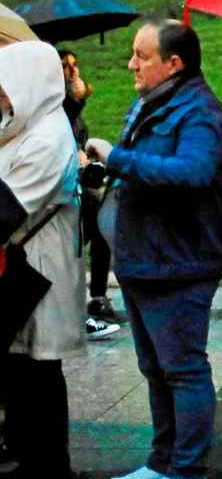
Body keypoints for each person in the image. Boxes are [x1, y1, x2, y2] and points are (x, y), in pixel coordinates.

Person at [83, 20, 222, 479]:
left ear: (175, 63)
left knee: (182, 369)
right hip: (146, 260)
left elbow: (192, 173)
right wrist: (103, 170)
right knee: (155, 369)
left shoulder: (202, 113)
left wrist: (120, 158)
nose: (131, 64)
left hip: (180, 264)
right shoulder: (157, 101)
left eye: (141, 56)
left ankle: (189, 472)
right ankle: (163, 460)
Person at [0, 41, 86, 479]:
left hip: (41, 266)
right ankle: (31, 460)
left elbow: (6, 207)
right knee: (20, 366)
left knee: (41, 369)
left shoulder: (49, 137)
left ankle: (52, 471)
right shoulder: (25, 126)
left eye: (6, 89)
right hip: (24, 263)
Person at [58, 49, 121, 339]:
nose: (73, 71)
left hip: (81, 185)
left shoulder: (71, 111)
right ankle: (72, 310)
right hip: (64, 188)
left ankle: (96, 298)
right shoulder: (54, 106)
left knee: (100, 233)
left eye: (74, 64)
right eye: (65, 66)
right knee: (71, 247)